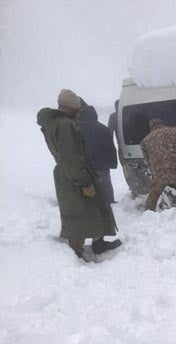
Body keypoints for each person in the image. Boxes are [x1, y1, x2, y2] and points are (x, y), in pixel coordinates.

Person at [36, 89, 121, 260]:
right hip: (73, 174)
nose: (79, 111)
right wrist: (85, 182)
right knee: (80, 211)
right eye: (77, 108)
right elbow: (71, 156)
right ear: (69, 107)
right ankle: (77, 250)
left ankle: (96, 242)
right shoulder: (66, 125)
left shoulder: (53, 123)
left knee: (84, 208)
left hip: (66, 173)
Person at [79, 104, 117, 203]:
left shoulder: (78, 129)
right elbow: (110, 148)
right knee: (105, 186)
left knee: (88, 188)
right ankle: (109, 202)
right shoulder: (103, 128)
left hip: (85, 167)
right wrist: (112, 163)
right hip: (102, 166)